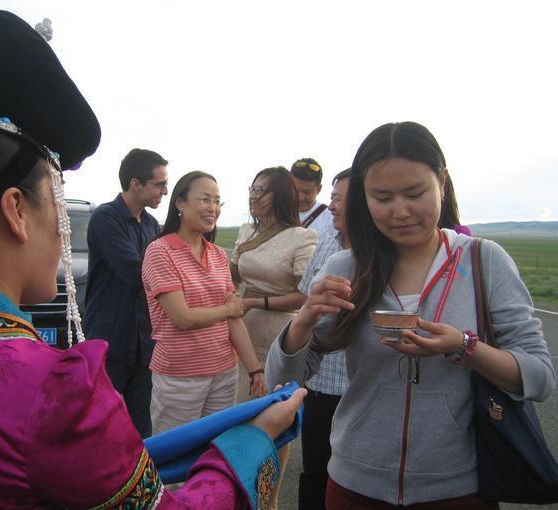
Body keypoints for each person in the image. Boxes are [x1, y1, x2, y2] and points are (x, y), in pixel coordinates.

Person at [0, 11, 306, 509]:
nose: (61, 234)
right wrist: (250, 442)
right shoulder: (52, 391)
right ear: (17, 211)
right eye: (58, 206)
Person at [266, 121, 555, 509]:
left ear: (443, 181)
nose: (399, 211)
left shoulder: (485, 261)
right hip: (353, 484)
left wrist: (464, 348)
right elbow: (282, 381)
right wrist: (301, 323)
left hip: (458, 489)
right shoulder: (347, 267)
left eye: (415, 193)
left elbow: (539, 377)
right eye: (381, 197)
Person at [141, 171, 268, 436]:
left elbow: (233, 321)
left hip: (224, 371)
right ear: (180, 203)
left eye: (217, 201)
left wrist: (255, 369)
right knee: (176, 456)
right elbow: (182, 318)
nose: (213, 208)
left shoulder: (218, 255)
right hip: (180, 376)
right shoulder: (160, 251)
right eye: (205, 199)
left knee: (215, 448)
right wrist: (228, 309)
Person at [230, 166, 317, 510]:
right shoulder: (246, 229)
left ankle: (269, 501)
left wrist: (255, 301)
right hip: (241, 336)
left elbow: (305, 294)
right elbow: (232, 272)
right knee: (239, 420)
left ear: (280, 195)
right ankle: (238, 495)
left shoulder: (301, 237)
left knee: (274, 423)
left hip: (280, 337)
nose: (254, 195)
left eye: (263, 190)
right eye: (253, 188)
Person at [83, 148, 168, 438]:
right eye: (159, 184)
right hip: (111, 339)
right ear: (136, 184)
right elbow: (137, 273)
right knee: (104, 427)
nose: (165, 191)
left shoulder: (150, 224)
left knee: (143, 429)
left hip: (144, 343)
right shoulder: (106, 219)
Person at [295, 168, 351, 510]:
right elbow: (303, 295)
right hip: (320, 380)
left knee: (352, 476)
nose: (332, 206)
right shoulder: (328, 240)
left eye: (339, 198)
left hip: (360, 386)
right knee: (315, 469)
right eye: (331, 197)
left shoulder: (388, 251)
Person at [290, 157, 334, 236]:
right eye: (295, 191)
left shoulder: (331, 218)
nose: (300, 198)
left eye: (306, 192)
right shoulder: (275, 212)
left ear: (319, 189)